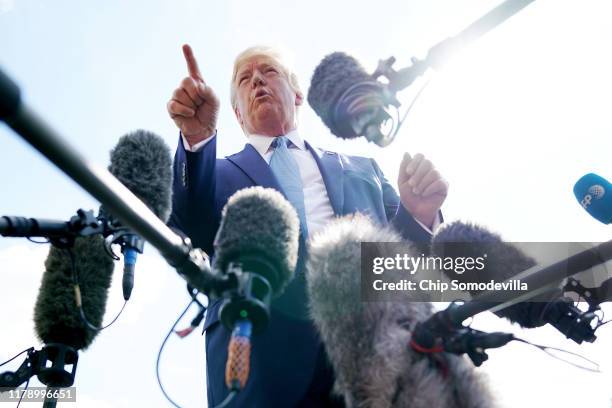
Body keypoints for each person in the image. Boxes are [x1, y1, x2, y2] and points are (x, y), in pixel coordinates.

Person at [167, 44, 449, 408]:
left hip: (374, 353)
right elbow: (191, 219)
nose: (256, 81)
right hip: (261, 355)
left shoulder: (365, 170)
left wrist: (419, 215)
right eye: (244, 79)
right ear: (237, 114)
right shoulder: (215, 174)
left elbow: (405, 264)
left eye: (268, 72)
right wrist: (196, 140)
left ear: (297, 94)